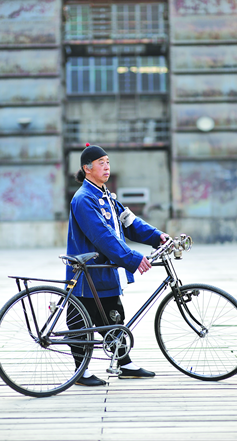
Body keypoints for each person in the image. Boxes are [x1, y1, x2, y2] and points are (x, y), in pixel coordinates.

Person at [66, 144, 168, 386]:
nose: (107, 167)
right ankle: (81, 371)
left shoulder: (107, 197)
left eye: (108, 162)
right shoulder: (83, 199)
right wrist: (133, 259)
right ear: (86, 168)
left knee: (114, 317)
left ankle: (124, 363)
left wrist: (157, 237)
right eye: (101, 162)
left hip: (105, 272)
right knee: (81, 322)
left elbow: (131, 223)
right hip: (87, 273)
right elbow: (103, 237)